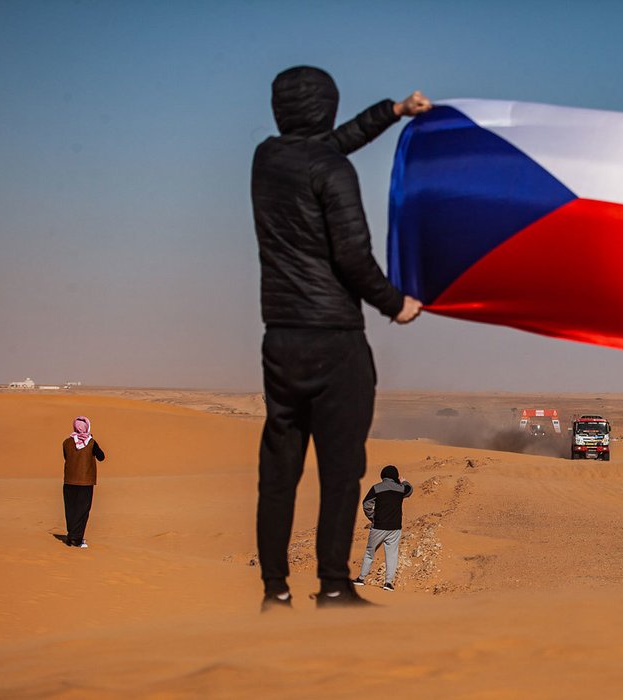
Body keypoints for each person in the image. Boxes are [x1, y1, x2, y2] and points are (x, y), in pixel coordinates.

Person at [252, 66, 430, 610]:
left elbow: (326, 145)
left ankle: (274, 592)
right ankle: (333, 585)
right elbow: (352, 255)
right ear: (326, 106)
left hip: (280, 339)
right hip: (334, 339)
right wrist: (393, 303)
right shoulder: (333, 170)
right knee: (341, 468)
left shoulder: (267, 159)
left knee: (279, 470)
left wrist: (392, 112)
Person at [353, 465, 413, 591]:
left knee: (370, 552)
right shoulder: (401, 489)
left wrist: (372, 517)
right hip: (395, 528)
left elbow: (366, 504)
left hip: (379, 527)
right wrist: (403, 481)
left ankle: (361, 579)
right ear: (395, 476)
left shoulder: (376, 488)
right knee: (392, 555)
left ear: (383, 475)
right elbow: (410, 489)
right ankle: (388, 583)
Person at [62, 416, 105, 548]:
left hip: (69, 481)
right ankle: (76, 539)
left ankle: (71, 536)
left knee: (70, 509)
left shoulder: (66, 442)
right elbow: (101, 457)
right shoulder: (91, 442)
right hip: (85, 482)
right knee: (82, 510)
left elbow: (66, 457)